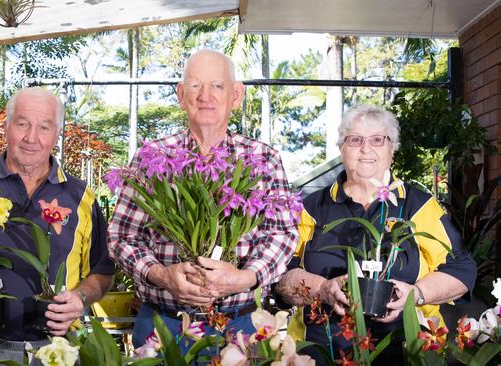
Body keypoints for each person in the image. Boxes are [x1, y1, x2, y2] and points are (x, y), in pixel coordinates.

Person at [107, 49, 299, 350]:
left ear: (236, 95)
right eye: (195, 86)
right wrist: (161, 275)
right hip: (164, 323)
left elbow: (283, 234)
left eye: (217, 86)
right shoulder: (153, 157)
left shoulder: (263, 159)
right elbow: (122, 236)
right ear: (181, 95)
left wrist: (246, 277)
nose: (205, 96)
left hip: (240, 323)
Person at [276, 105, 475, 365]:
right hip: (320, 349)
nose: (366, 149)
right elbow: (282, 278)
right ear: (341, 148)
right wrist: (324, 289)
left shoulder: (417, 205)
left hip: (408, 347)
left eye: (378, 139)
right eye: (355, 139)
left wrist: (416, 293)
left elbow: (461, 270)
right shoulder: (311, 208)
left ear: (392, 150)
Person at [0, 87, 114, 362]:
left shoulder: (80, 196)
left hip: (58, 347)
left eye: (44, 127)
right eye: (22, 124)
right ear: (6, 127)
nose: (31, 138)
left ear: (56, 134)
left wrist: (82, 298)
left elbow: (103, 271)